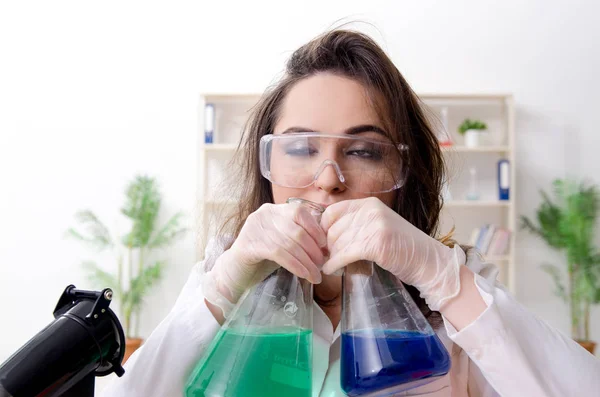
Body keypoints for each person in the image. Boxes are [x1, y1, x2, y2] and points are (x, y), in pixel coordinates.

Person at [101, 29, 600, 397]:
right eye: (299, 149)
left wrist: (443, 275)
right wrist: (224, 284)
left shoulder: (455, 298)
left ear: (403, 174)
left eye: (364, 151)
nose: (328, 179)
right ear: (267, 166)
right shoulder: (221, 283)